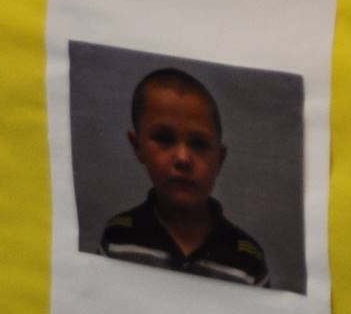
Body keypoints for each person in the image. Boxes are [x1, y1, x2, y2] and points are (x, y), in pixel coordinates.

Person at [100, 67, 269, 288]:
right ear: (137, 146)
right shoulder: (118, 237)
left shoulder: (247, 258)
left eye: (199, 144)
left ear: (220, 159)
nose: (183, 158)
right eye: (164, 139)